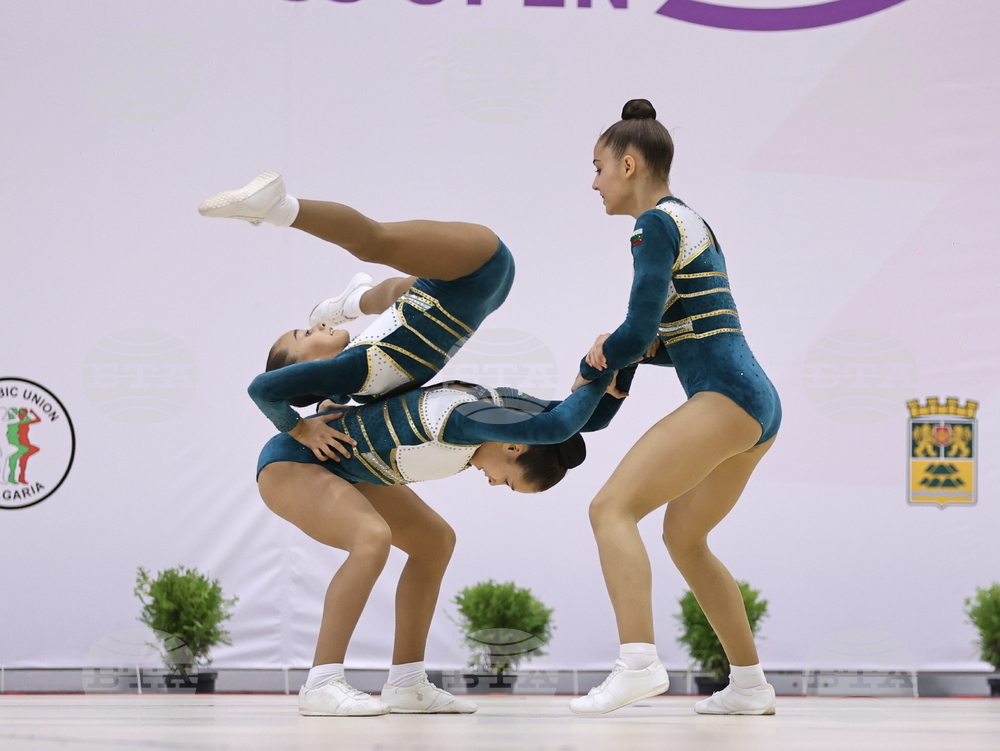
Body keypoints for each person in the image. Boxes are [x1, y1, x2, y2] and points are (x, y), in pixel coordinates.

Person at [199, 174, 630, 716]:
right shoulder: (461, 419)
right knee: (372, 537)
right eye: (507, 481)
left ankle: (406, 681)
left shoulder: (476, 411)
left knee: (433, 541)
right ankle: (321, 683)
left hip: (359, 452)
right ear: (515, 448)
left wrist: (611, 374)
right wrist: (300, 427)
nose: (492, 482)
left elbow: (578, 424)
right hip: (295, 457)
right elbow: (559, 426)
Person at [567, 99, 781, 716]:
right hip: (754, 401)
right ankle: (750, 685)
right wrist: (626, 352)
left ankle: (637, 662)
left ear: (629, 164)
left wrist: (602, 356)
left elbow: (638, 333)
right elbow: (685, 336)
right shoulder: (692, 220)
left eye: (599, 166)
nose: (594, 181)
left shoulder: (654, 225)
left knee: (610, 508)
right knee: (685, 539)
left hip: (729, 396)